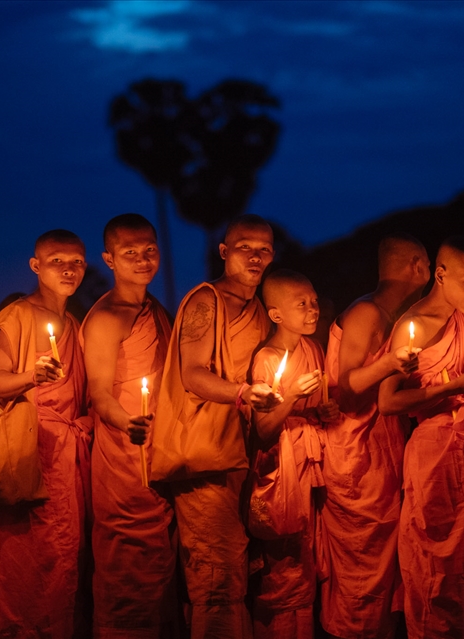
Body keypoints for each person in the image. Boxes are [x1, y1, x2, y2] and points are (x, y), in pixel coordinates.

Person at [378, 236, 464, 639]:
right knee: (438, 567)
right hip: (434, 456)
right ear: (440, 275)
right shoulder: (414, 325)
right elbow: (388, 402)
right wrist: (448, 388)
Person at [151, 214, 279, 639]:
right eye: (245, 247)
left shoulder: (260, 310)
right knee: (216, 579)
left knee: (236, 575)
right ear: (224, 252)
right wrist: (244, 393)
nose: (255, 256)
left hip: (241, 457)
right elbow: (193, 374)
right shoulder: (207, 301)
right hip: (204, 459)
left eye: (264, 249)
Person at [0, 229, 90, 639]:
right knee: (28, 560)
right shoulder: (19, 314)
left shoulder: (73, 323)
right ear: (35, 266)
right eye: (57, 261)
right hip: (29, 450)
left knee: (61, 560)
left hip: (65, 456)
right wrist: (31, 375)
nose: (69, 269)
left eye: (76, 261)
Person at [320, 234, 429, 638]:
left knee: (383, 578)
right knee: (359, 576)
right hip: (354, 458)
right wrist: (388, 363)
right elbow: (347, 385)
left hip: (382, 455)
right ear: (418, 266)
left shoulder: (398, 316)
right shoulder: (366, 312)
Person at [80, 214, 177, 638]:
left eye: (149, 250)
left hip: (160, 447)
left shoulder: (156, 310)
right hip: (123, 450)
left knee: (158, 560)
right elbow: (100, 394)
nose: (142, 260)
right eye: (130, 253)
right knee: (126, 555)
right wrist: (129, 422)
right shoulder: (107, 317)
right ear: (109, 259)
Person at [247, 269, 339, 639]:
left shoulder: (312, 348)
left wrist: (321, 412)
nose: (313, 309)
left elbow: (313, 408)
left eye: (314, 301)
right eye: (302, 304)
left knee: (306, 559)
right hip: (279, 472)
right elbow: (264, 430)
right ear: (276, 314)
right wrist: (293, 400)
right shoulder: (267, 360)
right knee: (281, 567)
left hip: (309, 465)